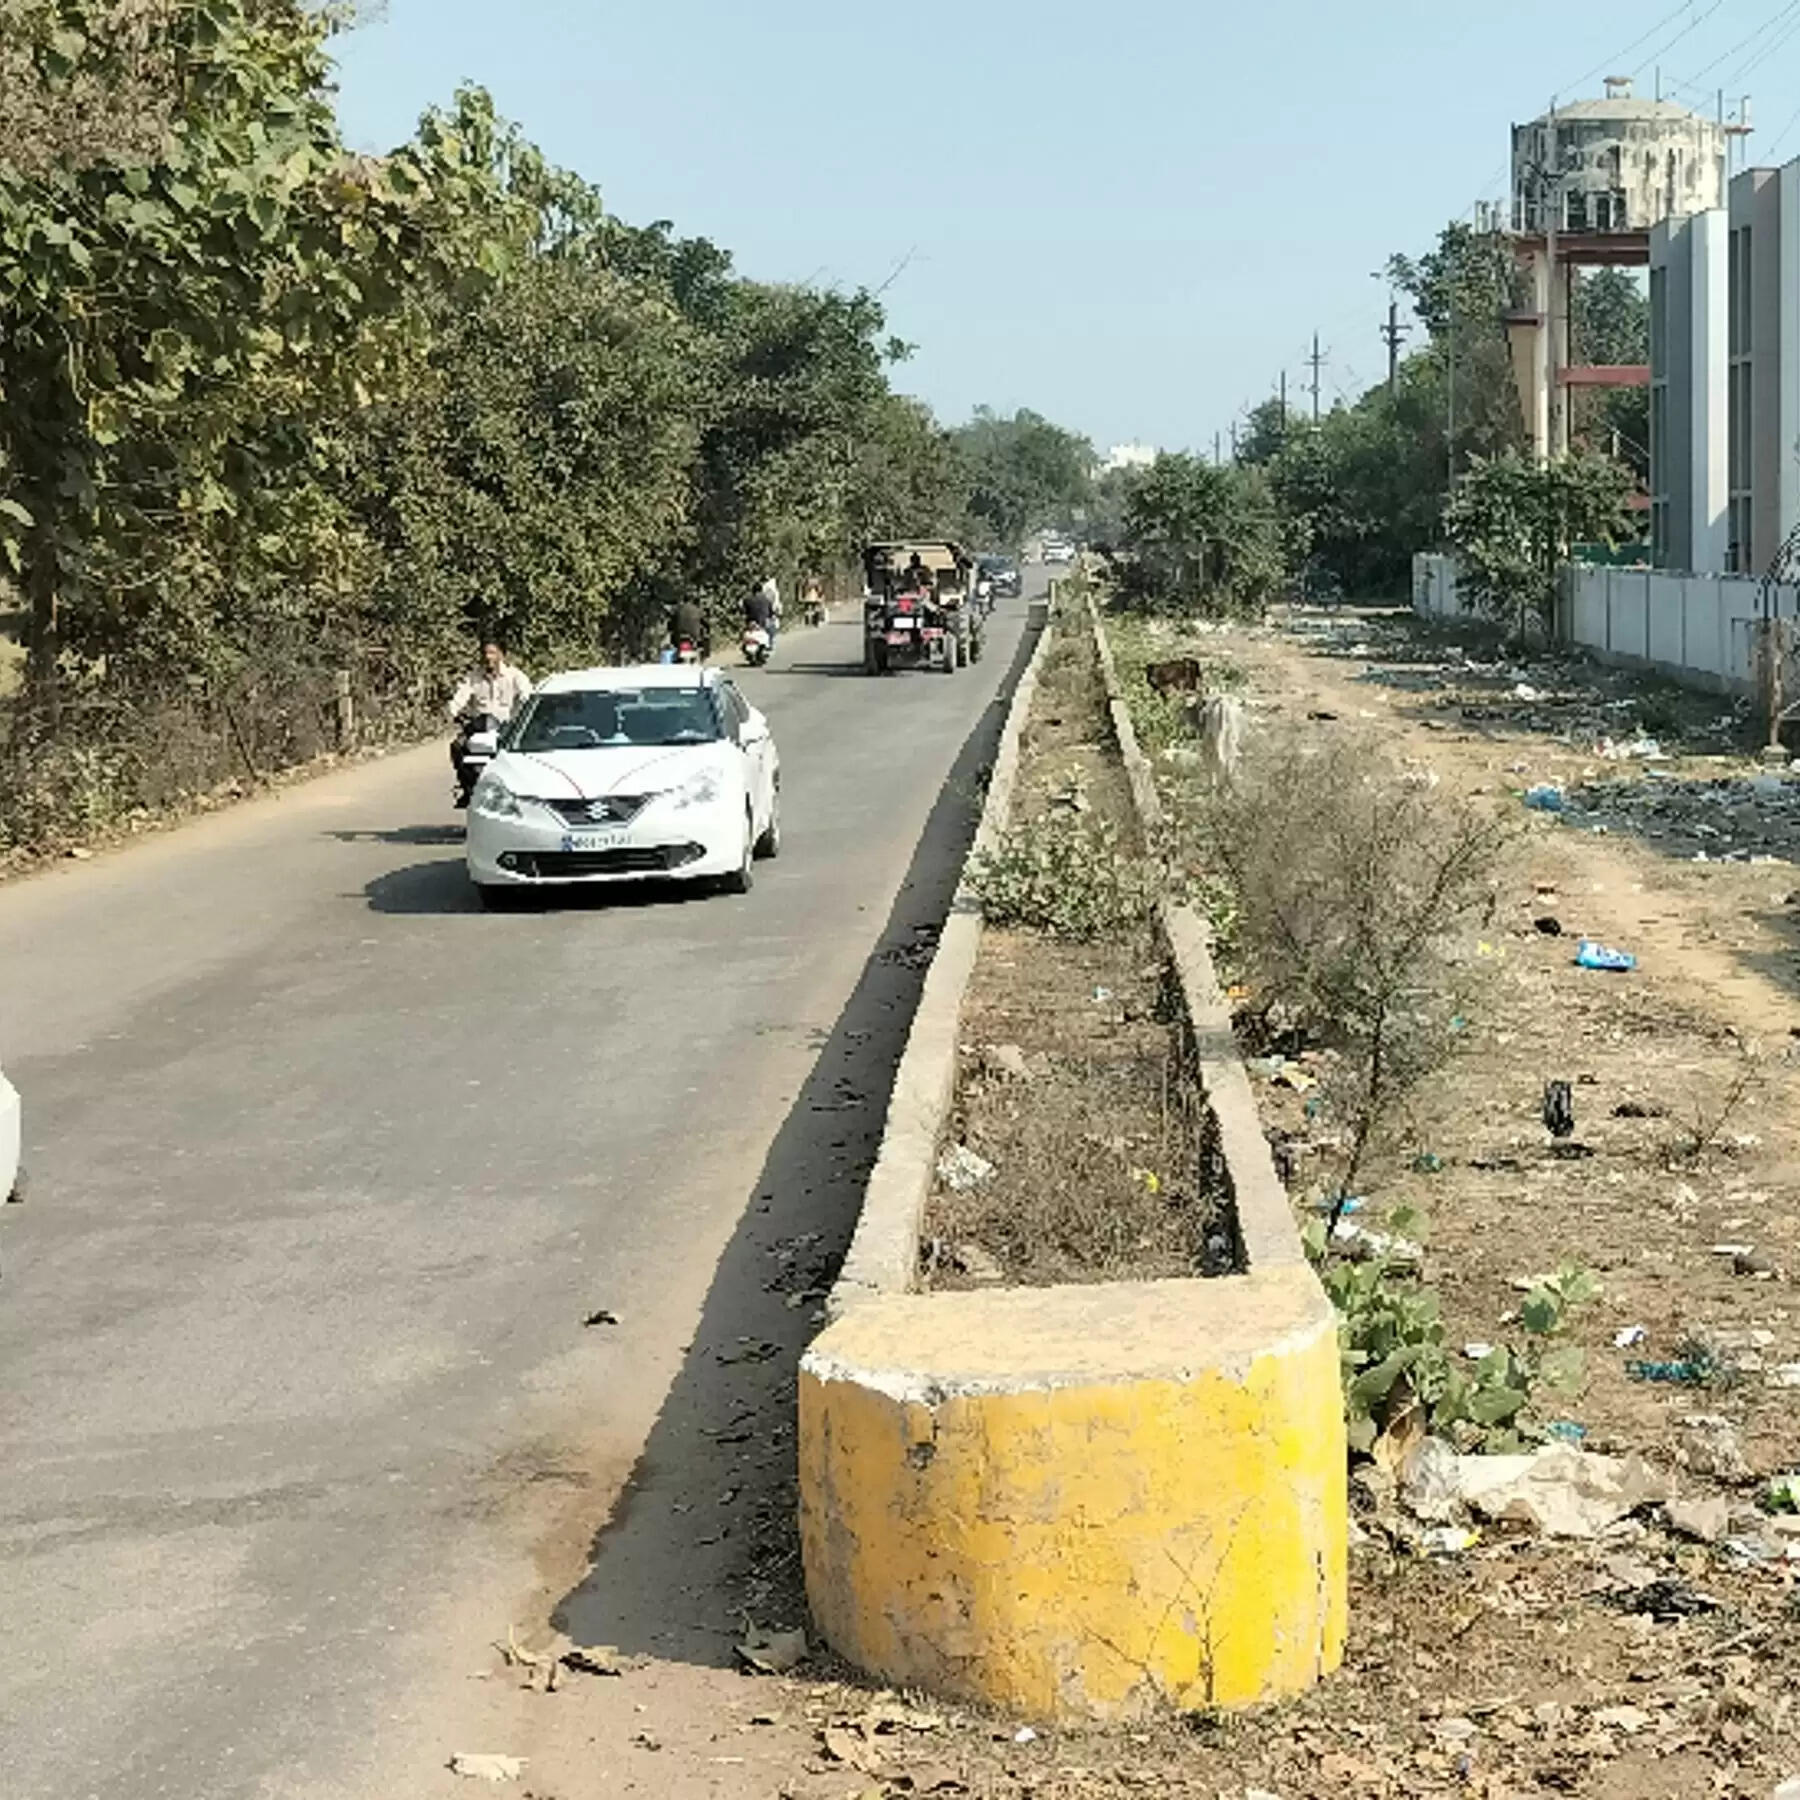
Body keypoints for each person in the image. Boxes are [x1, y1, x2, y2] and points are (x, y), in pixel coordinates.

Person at [447, 637, 532, 793]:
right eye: (485, 653)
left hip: (506, 728)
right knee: (457, 746)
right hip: (478, 726)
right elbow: (460, 697)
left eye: (492, 653)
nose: (488, 657)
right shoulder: (474, 677)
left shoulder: (515, 676)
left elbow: (527, 695)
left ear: (501, 655)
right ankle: (467, 787)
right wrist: (453, 712)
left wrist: (523, 712)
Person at [665, 596, 706, 662]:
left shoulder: (678, 609)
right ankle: (702, 655)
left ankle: (677, 655)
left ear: (683, 600)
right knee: (701, 641)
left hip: (679, 634)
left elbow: (671, 619)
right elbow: (704, 621)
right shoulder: (697, 609)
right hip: (693, 634)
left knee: (674, 642)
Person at [745, 576, 780, 651]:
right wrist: (773, 615)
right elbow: (771, 611)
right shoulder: (766, 599)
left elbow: (744, 610)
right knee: (772, 629)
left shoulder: (747, 599)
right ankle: (770, 643)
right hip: (763, 622)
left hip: (750, 622)